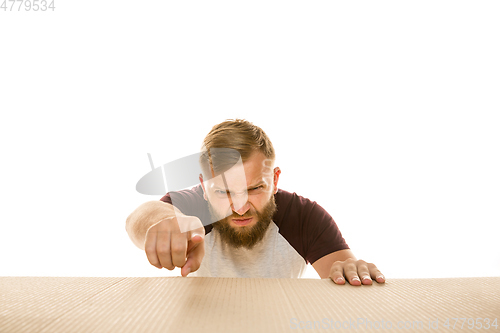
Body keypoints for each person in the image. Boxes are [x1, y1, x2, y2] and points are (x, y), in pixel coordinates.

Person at [126, 119, 385, 285]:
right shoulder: (192, 208)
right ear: (204, 186)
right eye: (224, 193)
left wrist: (352, 270)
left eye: (255, 188)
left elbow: (341, 277)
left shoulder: (305, 217)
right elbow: (142, 217)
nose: (240, 207)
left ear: (275, 179)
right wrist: (162, 222)